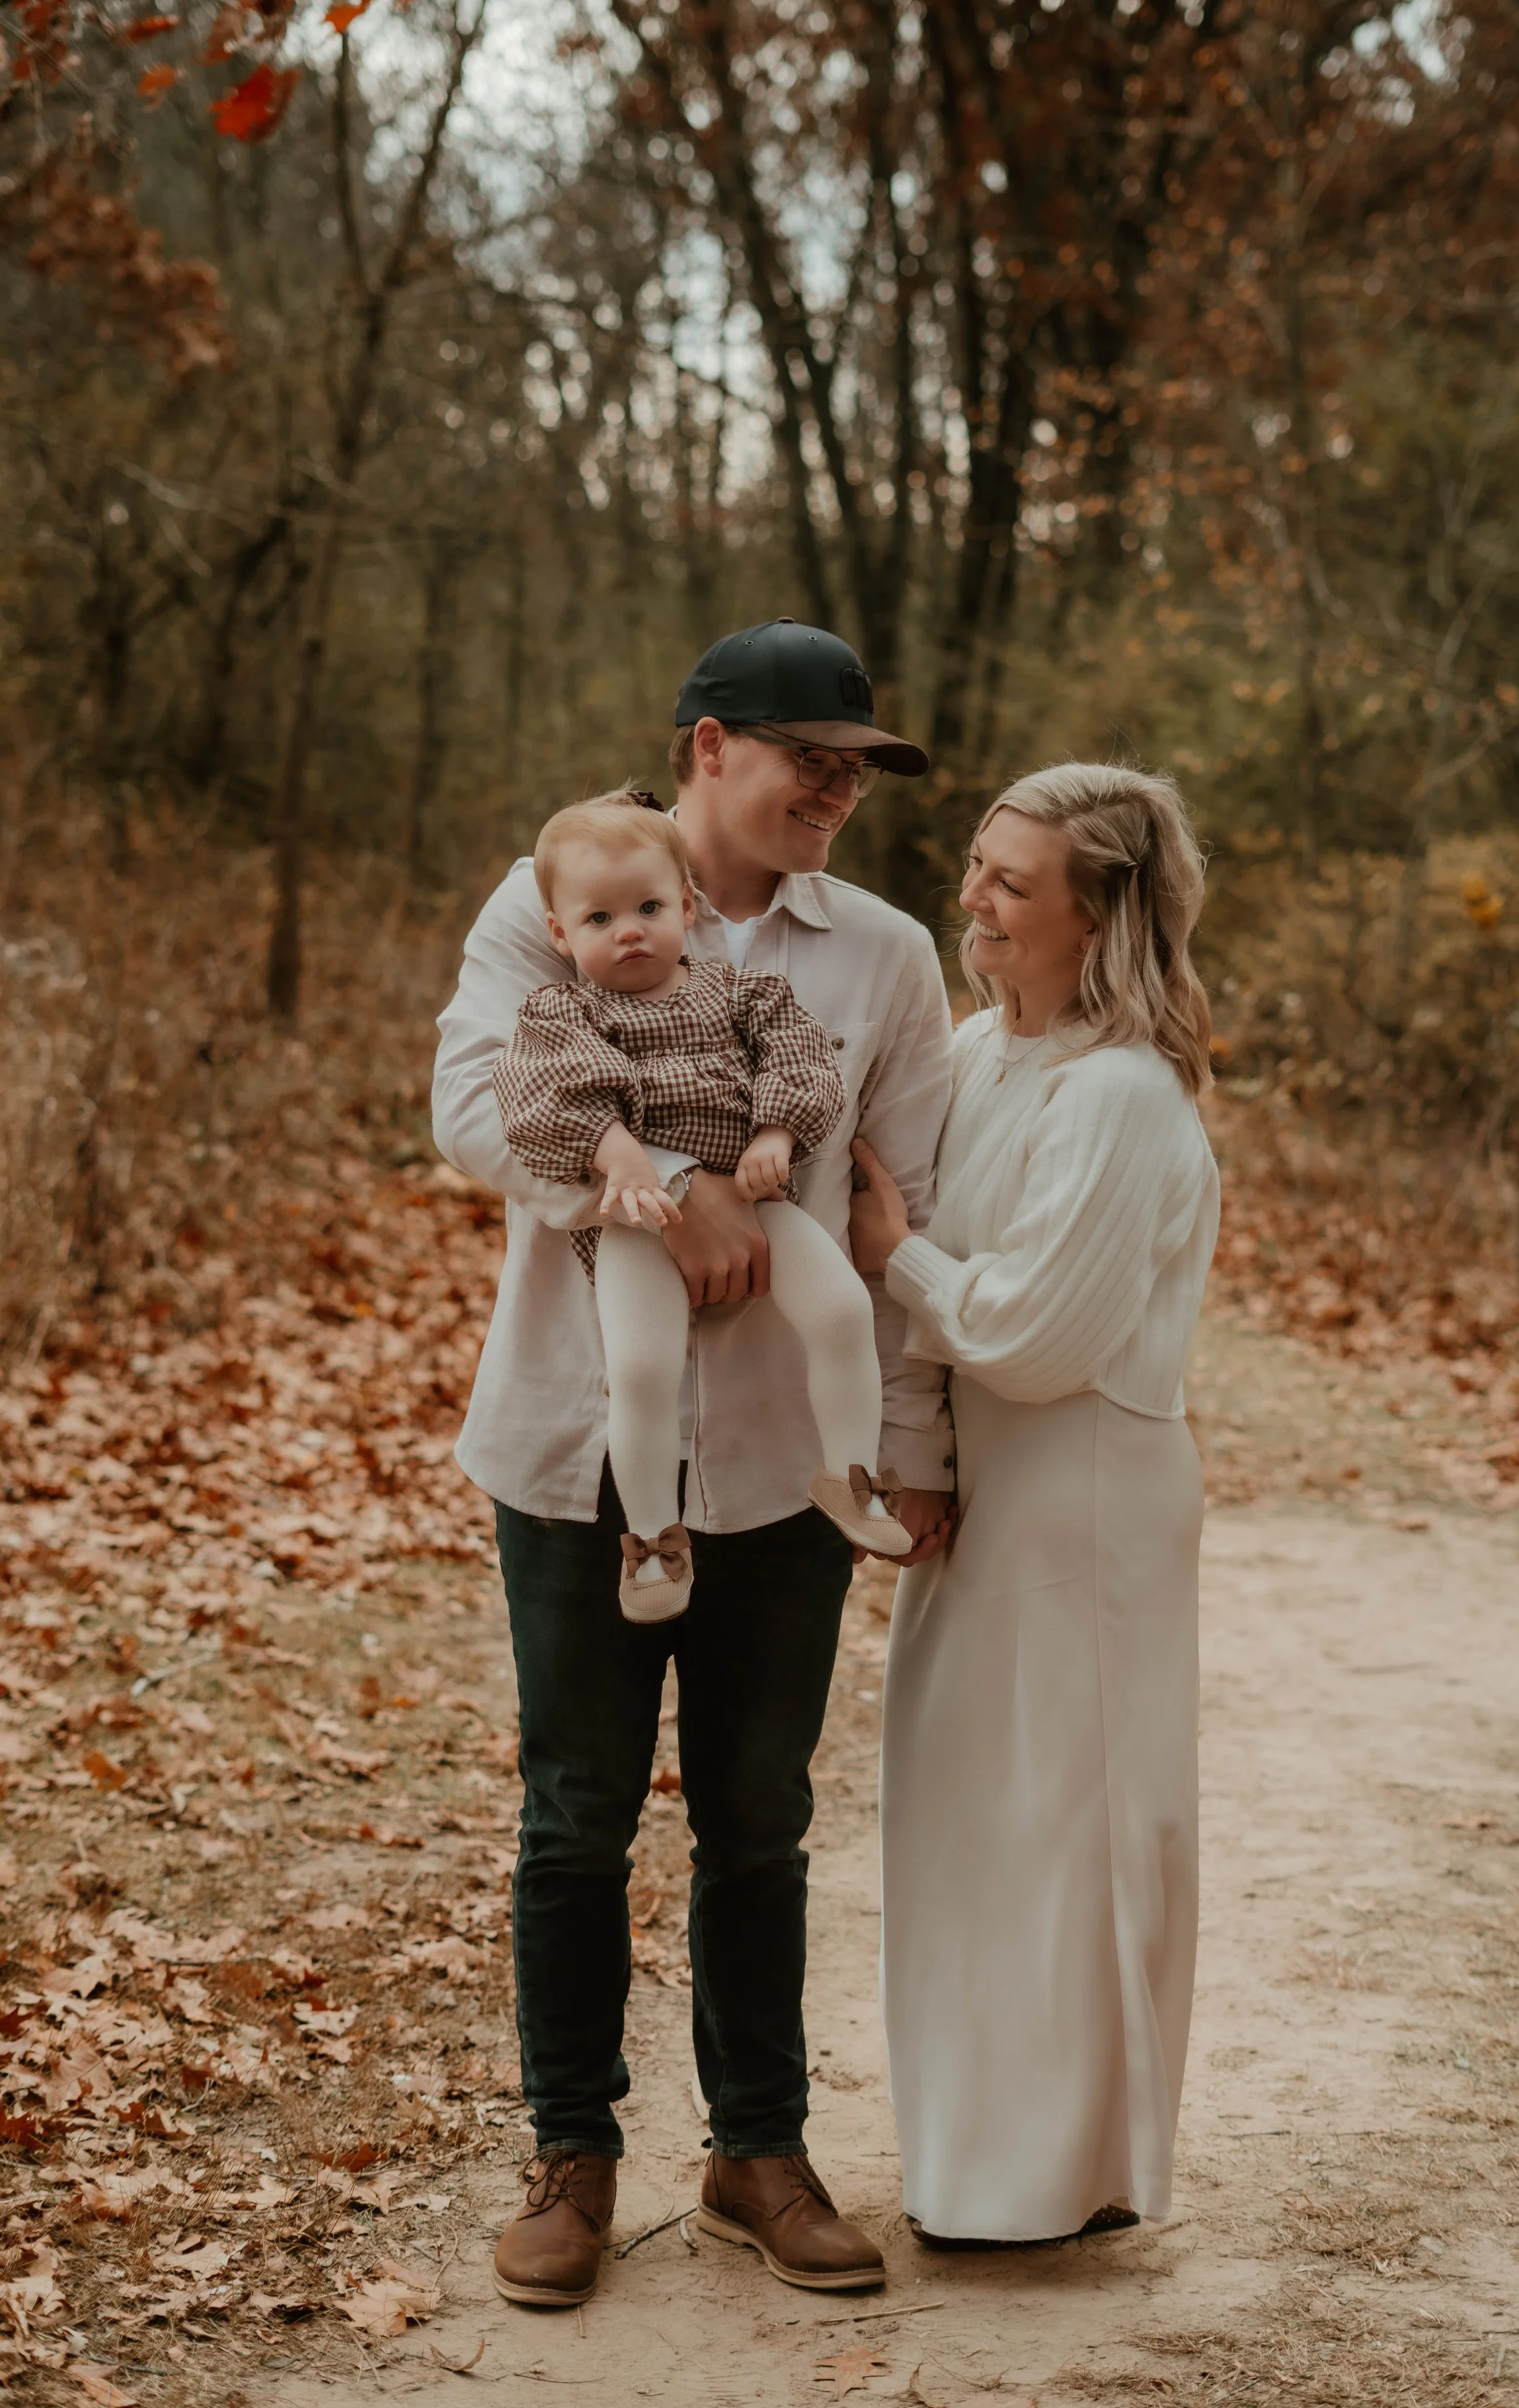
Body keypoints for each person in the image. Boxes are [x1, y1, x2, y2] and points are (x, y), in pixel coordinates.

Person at [430, 619, 956, 2308]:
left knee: (760, 1813)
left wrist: (913, 1433)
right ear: (709, 746)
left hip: (796, 1462)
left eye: (860, 770)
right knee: (577, 1819)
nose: (839, 792)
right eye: (813, 758)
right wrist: (672, 1180)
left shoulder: (881, 953)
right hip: (583, 1441)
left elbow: (909, 1197)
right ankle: (571, 2151)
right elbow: (465, 1109)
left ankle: (757, 2148)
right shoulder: (560, 894)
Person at [849, 760, 1220, 2245]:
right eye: (976, 864)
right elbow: (959, 1314)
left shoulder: (1121, 1096)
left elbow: (1035, 1334)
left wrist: (898, 1258)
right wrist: (916, 1447)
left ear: (1100, 912)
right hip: (990, 1489)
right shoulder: (975, 1053)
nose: (972, 896)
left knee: (1066, 1819)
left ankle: (1055, 2175)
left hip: (1084, 1493)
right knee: (961, 1813)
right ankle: (973, 2162)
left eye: (1012, 880)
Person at [492, 786, 912, 1624]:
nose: (630, 931)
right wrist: (627, 1161)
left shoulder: (741, 993)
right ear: (559, 935)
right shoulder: (565, 1010)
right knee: (641, 1369)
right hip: (637, 1219)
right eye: (599, 919)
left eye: (649, 907)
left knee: (837, 1310)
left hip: (760, 1199)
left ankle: (851, 1476)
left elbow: (802, 1062)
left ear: (687, 906)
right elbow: (552, 1097)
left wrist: (776, 1136)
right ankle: (652, 1539)